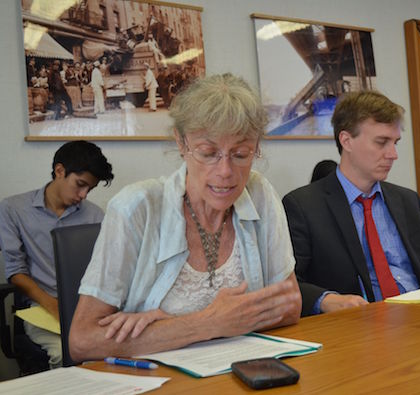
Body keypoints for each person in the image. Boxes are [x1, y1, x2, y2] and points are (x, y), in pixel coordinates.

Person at [69, 73, 301, 361]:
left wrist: (168, 327)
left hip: (242, 375)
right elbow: (82, 341)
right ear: (181, 143)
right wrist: (208, 322)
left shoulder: (259, 193)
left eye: (241, 154)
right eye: (208, 153)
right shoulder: (135, 208)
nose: (226, 171)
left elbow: (290, 305)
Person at [282, 91, 420, 316]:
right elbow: (288, 285)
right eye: (382, 143)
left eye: (395, 142)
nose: (393, 154)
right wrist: (326, 300)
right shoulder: (303, 206)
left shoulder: (407, 201)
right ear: (346, 141)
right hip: (359, 329)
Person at [0, 141, 114, 368]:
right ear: (60, 171)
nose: (83, 195)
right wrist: (53, 306)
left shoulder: (95, 215)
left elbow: (106, 268)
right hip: (42, 308)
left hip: (88, 308)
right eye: (80, 185)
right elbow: (15, 272)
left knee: (114, 353)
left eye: (89, 189)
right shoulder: (14, 209)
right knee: (65, 355)